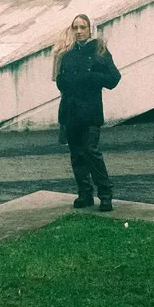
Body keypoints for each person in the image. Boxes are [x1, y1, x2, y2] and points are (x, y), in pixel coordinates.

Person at [53, 13, 121, 211]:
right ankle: (85, 193)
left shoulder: (99, 51)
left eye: (82, 27)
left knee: (91, 151)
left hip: (90, 112)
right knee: (76, 154)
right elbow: (60, 80)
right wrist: (63, 82)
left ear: (90, 29)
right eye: (75, 28)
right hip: (70, 111)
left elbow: (114, 78)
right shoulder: (68, 54)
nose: (79, 31)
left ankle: (105, 194)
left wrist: (92, 77)